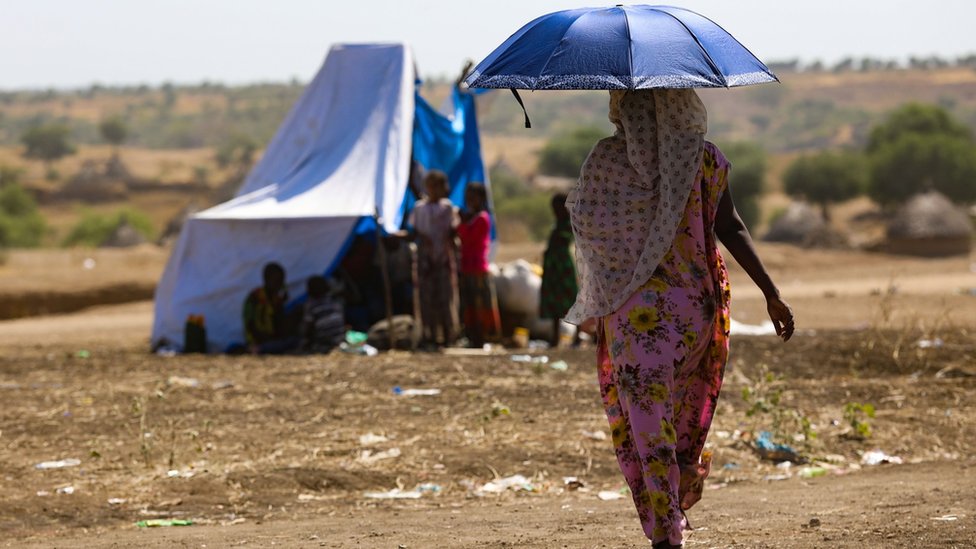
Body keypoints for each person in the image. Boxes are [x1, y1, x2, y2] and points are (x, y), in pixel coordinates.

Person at [566, 89, 794, 549]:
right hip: (695, 311)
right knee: (683, 414)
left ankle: (666, 528)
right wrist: (771, 292)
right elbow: (730, 226)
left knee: (646, 421)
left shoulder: (609, 159)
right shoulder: (704, 159)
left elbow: (586, 225)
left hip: (636, 319)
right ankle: (675, 501)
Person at [409, 170, 459, 348]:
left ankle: (448, 335)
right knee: (426, 298)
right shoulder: (419, 209)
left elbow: (453, 232)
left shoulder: (448, 208)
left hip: (443, 258)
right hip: (425, 260)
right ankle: (428, 334)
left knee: (445, 297)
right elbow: (414, 232)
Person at [457, 182, 501, 348]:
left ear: (481, 199)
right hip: (467, 267)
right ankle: (473, 337)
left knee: (479, 305)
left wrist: (461, 223)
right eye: (468, 198)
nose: (469, 201)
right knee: (470, 305)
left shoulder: (482, 218)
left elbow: (468, 238)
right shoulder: (472, 218)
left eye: (472, 198)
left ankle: (481, 338)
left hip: (477, 268)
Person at [539, 192, 580, 348]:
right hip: (553, 268)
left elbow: (565, 238)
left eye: (557, 207)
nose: (555, 211)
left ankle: (576, 337)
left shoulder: (568, 223)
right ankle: (555, 337)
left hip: (563, 267)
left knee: (569, 300)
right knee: (554, 303)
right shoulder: (557, 223)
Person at [242, 262, 299, 354]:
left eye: (281, 281)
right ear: (266, 279)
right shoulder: (255, 297)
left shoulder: (276, 298)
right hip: (259, 342)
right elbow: (251, 326)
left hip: (274, 341)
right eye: (277, 281)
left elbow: (279, 321)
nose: (280, 284)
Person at [301, 275, 345, 354]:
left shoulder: (311, 305)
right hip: (340, 339)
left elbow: (307, 329)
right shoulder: (334, 301)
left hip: (324, 342)